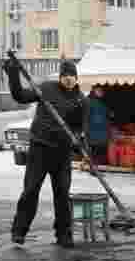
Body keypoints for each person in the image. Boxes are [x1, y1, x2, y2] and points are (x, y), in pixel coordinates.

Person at [5, 56, 87, 247]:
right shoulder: (47, 89)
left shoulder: (81, 100)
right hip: (40, 149)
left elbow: (80, 128)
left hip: (62, 153)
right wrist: (13, 74)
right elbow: (20, 96)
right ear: (60, 77)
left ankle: (64, 235)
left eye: (71, 75)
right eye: (65, 75)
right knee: (31, 190)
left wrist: (78, 141)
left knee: (62, 194)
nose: (68, 79)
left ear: (76, 78)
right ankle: (19, 231)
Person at [85, 85, 113, 165]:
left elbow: (108, 114)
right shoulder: (88, 101)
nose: (101, 92)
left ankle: (98, 166)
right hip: (93, 130)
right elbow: (86, 116)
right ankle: (94, 167)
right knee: (94, 149)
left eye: (101, 91)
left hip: (103, 130)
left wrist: (110, 114)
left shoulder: (103, 102)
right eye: (98, 90)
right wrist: (85, 130)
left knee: (101, 148)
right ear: (94, 90)